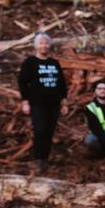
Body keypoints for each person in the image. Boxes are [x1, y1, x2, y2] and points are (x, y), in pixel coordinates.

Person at [18, 32, 67, 173]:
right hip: (37, 102)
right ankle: (38, 159)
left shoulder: (54, 63)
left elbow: (62, 83)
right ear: (36, 46)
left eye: (46, 43)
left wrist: (64, 101)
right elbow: (22, 82)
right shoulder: (30, 63)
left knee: (49, 131)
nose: (44, 46)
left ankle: (44, 159)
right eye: (41, 43)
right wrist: (25, 102)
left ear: (49, 45)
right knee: (40, 130)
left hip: (54, 102)